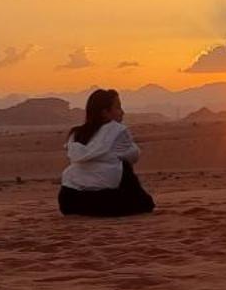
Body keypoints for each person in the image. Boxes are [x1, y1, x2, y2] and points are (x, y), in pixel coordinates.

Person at [59, 88, 155, 216]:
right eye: (118, 108)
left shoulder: (77, 133)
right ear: (105, 112)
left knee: (115, 161)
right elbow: (133, 155)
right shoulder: (117, 130)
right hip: (102, 201)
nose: (122, 112)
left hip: (68, 200)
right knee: (144, 201)